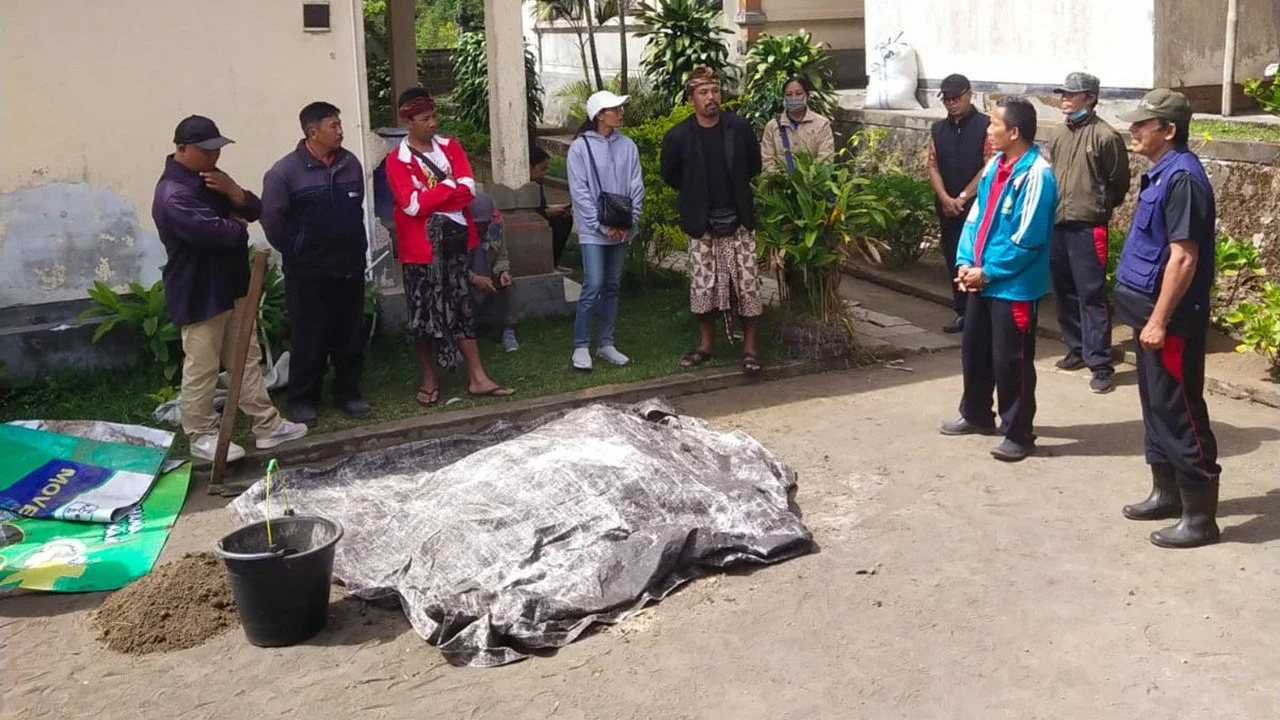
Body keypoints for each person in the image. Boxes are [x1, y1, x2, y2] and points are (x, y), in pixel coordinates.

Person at [152, 115, 308, 461]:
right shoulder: (173, 193)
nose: (214, 156)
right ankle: (201, 434)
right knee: (202, 365)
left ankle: (266, 425)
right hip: (199, 291)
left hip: (231, 285)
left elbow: (254, 210)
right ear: (181, 149)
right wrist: (235, 223)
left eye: (217, 149)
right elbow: (220, 235)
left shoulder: (210, 179)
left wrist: (234, 192)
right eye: (205, 150)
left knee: (246, 359)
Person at [1114, 90, 1222, 548]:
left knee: (1180, 410)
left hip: (1171, 321)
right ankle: (1166, 493)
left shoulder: (1183, 179)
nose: (1134, 130)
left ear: (1169, 130)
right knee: (1156, 405)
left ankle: (1200, 517)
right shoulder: (1161, 173)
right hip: (1147, 313)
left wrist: (1159, 320)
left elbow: (1183, 258)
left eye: (1143, 124)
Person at [940, 96, 1058, 462]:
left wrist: (987, 272)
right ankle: (976, 414)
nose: (989, 131)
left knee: (1012, 361)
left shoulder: (1037, 175)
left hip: (1013, 286)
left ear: (1015, 132)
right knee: (974, 350)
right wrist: (964, 262)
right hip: (982, 279)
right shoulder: (995, 167)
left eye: (994, 124)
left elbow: (1027, 239)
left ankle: (1019, 432)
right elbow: (975, 219)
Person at [384, 88, 514, 405]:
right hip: (420, 250)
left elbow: (467, 190)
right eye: (424, 118)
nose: (433, 123)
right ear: (407, 121)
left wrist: (433, 195)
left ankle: (478, 377)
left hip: (456, 244)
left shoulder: (450, 147)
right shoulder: (396, 161)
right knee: (422, 314)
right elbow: (411, 205)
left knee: (462, 308)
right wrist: (447, 184)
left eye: (434, 116)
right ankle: (429, 378)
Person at [261, 101, 370, 426]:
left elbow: (356, 207)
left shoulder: (350, 164)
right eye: (333, 126)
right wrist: (297, 249)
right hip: (307, 271)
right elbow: (272, 221)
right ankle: (303, 399)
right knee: (309, 336)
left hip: (348, 265)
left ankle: (348, 392)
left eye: (340, 124)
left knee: (349, 333)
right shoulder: (284, 173)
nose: (341, 131)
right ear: (312, 132)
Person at [660, 66, 765, 374]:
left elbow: (754, 165)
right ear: (690, 98)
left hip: (738, 219)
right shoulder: (678, 136)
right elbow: (670, 175)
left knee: (747, 284)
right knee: (703, 285)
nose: (711, 97)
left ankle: (750, 349)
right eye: (703, 92)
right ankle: (706, 345)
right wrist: (696, 195)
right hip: (701, 222)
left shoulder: (739, 128)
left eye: (715, 91)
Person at [1047, 72, 1132, 394]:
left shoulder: (1105, 136)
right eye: (1063, 94)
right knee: (1063, 291)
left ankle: (1100, 364)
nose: (1065, 100)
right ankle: (1077, 348)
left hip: (1088, 226)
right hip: (1058, 223)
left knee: (1091, 295)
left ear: (1091, 98)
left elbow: (1118, 183)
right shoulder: (1058, 134)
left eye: (1072, 94)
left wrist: (1098, 206)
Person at [566, 90, 644, 371]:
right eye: (615, 109)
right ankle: (581, 344)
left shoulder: (628, 146)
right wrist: (601, 225)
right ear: (599, 115)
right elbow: (580, 193)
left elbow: (636, 184)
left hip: (622, 228)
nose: (621, 113)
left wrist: (629, 221)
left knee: (612, 286)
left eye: (621, 108)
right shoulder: (579, 148)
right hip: (593, 231)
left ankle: (606, 343)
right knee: (593, 284)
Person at [927, 74, 994, 334]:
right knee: (953, 255)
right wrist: (945, 197)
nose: (952, 103)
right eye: (947, 99)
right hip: (947, 206)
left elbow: (988, 165)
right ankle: (961, 311)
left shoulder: (985, 126)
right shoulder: (938, 129)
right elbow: (932, 165)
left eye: (956, 98)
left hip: (976, 205)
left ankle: (980, 312)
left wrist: (964, 197)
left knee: (977, 257)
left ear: (969, 95)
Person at [466, 192, 520, 353]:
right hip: (467, 277)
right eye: (478, 223)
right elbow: (453, 267)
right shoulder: (459, 230)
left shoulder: (497, 226)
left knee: (508, 285)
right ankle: (458, 338)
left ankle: (508, 331)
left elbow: (502, 254)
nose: (482, 227)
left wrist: (503, 271)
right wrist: (474, 279)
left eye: (485, 223)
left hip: (488, 273)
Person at [759, 76, 835, 174]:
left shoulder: (822, 124)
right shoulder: (772, 126)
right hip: (780, 181)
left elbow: (826, 158)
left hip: (813, 181)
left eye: (798, 94)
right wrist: (780, 179)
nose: (793, 98)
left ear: (807, 96)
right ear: (784, 98)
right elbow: (767, 160)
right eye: (789, 95)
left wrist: (809, 178)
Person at [529, 146, 575, 274]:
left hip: (541, 218)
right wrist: (547, 213)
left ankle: (553, 261)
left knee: (564, 218)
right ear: (530, 167)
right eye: (542, 169)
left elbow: (541, 207)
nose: (545, 173)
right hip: (530, 223)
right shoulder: (524, 186)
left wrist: (554, 210)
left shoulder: (538, 184)